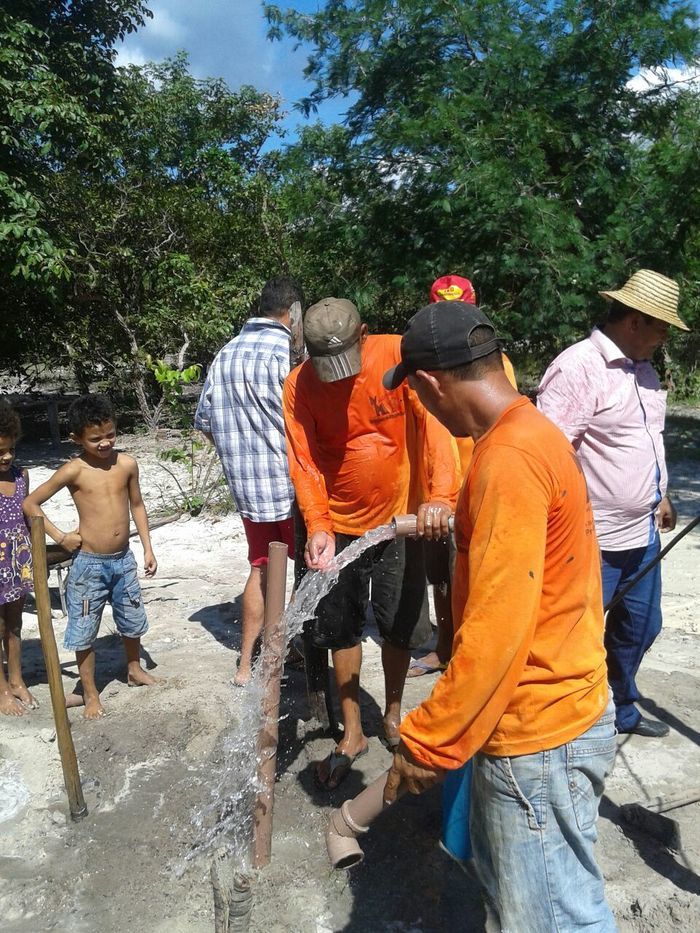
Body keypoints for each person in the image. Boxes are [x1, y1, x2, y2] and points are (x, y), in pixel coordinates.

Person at [382, 301, 615, 932]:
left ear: (430, 384)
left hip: (539, 730)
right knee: (535, 902)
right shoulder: (528, 430)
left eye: (417, 396)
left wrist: (429, 741)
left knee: (557, 919)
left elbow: (496, 628)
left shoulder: (508, 459)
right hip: (561, 706)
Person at [283, 297, 459, 788]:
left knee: (399, 622)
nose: (336, 379)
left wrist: (440, 497)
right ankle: (353, 731)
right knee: (340, 627)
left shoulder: (396, 357)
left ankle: (393, 713)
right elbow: (304, 461)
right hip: (338, 523)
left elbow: (434, 427)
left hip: (399, 518)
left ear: (364, 334)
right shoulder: (298, 386)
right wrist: (318, 524)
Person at [537, 269, 688, 737]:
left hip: (641, 533)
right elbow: (548, 454)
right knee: (571, 637)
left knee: (641, 627)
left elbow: (647, 440)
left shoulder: (645, 371)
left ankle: (618, 706)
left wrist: (660, 494)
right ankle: (568, 721)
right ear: (635, 321)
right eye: (662, 327)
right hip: (590, 540)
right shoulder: (578, 368)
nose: (665, 338)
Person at [408, 275, 518, 678]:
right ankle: (444, 646)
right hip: (435, 490)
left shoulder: (495, 365)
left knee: (475, 576)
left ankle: (470, 654)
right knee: (439, 575)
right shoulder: (423, 368)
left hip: (478, 484)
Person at [23, 394, 159, 719]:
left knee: (132, 618)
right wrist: (61, 537)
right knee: (84, 628)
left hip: (123, 560)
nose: (105, 443)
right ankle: (89, 691)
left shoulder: (126, 464)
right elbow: (31, 503)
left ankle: (134, 669)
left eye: (110, 434)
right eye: (96, 439)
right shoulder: (74, 470)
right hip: (89, 565)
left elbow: (137, 505)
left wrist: (148, 547)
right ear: (77, 439)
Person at [195, 276, 302, 685]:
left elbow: (205, 423)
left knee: (260, 569)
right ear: (293, 313)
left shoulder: (225, 354)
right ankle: (286, 650)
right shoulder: (287, 355)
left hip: (248, 491)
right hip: (291, 489)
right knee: (306, 570)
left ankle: (245, 667)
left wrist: (240, 454)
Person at [0, 400, 37, 716]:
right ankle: (1, 689)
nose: (7, 456)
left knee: (14, 624)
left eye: (10, 448)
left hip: (18, 563)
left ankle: (16, 679)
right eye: (0, 452)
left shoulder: (22, 476)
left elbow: (29, 517)